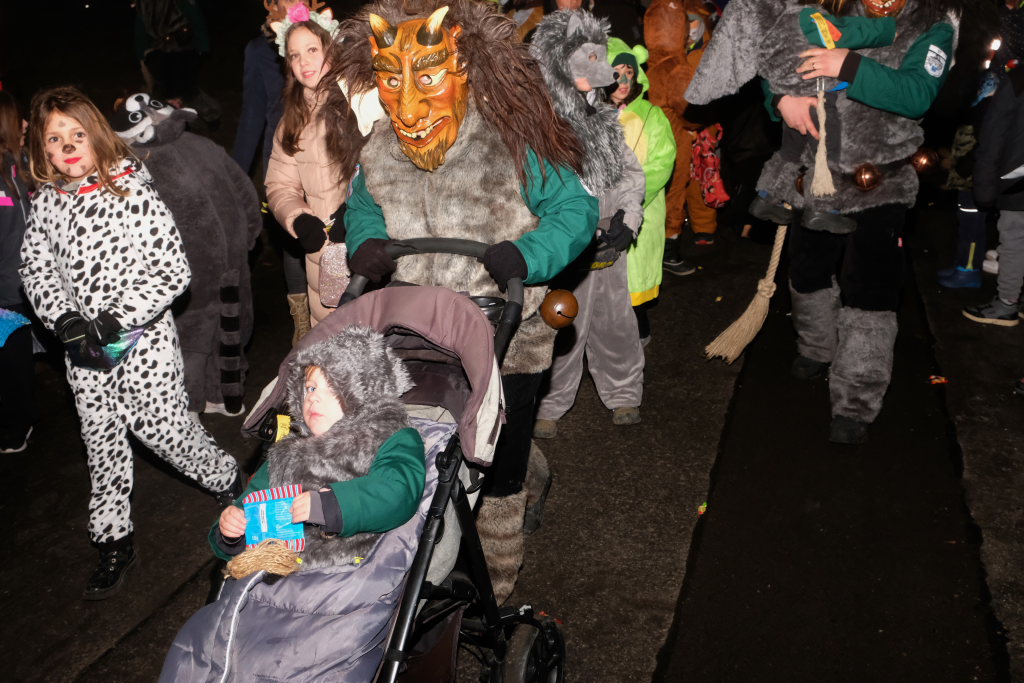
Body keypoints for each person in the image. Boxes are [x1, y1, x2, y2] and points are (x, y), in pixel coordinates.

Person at [335, 0, 598, 602]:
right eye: (391, 82)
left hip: (506, 326)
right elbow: (363, 205)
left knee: (499, 457)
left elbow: (575, 208)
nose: (407, 107)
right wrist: (365, 241)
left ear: (463, 72)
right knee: (416, 442)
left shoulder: (514, 139)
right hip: (415, 328)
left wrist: (528, 255)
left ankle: (497, 576)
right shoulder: (379, 146)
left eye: (427, 80)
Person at [687, 0, 961, 444]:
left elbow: (917, 94)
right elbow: (778, 59)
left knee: (870, 289)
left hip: (882, 185)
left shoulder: (933, 24)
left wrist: (846, 64)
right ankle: (817, 345)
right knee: (807, 270)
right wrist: (781, 100)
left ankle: (856, 398)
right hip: (815, 179)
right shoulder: (830, 9)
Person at [19, 86, 241, 599]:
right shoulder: (47, 203)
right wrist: (63, 319)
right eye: (55, 138)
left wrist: (117, 318)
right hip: (84, 354)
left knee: (164, 432)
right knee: (101, 445)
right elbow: (35, 268)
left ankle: (226, 477)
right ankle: (113, 539)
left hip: (143, 344)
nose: (68, 146)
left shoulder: (129, 190)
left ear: (97, 137)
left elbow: (172, 270)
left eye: (77, 134)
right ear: (43, 150)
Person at [161, 325, 427, 681]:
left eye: (332, 389)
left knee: (301, 660)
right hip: (275, 572)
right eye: (311, 388)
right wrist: (233, 528)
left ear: (362, 393)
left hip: (344, 576)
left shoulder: (391, 439)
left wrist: (330, 505)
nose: (313, 398)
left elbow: (397, 490)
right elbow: (254, 501)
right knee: (207, 647)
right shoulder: (288, 453)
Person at [529, 8, 647, 434]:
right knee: (561, 320)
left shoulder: (604, 119)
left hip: (609, 240)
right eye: (590, 58)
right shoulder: (539, 126)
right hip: (563, 247)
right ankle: (549, 400)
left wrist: (628, 217)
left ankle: (624, 390)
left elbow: (631, 175)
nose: (604, 72)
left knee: (615, 320)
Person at [111, 93, 263, 417]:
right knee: (195, 334)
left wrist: (250, 231)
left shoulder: (200, 145)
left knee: (232, 326)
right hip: (187, 272)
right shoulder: (133, 166)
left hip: (230, 260)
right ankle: (191, 401)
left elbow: (240, 186)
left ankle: (223, 395)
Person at [265, 1, 365, 330]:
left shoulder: (363, 103)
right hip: (322, 259)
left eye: (312, 50)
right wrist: (298, 217)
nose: (303, 62)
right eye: (294, 55)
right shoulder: (292, 121)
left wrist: (357, 213)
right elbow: (280, 185)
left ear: (332, 50)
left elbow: (389, 172)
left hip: (370, 252)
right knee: (331, 346)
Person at [232, 0, 312, 345]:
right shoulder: (259, 51)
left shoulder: (328, 38)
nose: (293, 4)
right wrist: (234, 176)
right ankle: (303, 324)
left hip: (329, 155)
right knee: (293, 239)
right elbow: (252, 115)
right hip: (283, 160)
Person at [606, 37, 677, 345]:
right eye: (616, 73)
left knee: (633, 283)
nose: (624, 81)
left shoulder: (652, 116)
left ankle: (639, 336)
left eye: (629, 73)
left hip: (640, 211)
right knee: (601, 282)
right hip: (599, 212)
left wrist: (629, 200)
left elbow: (662, 163)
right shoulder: (590, 116)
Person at [644, 0, 714, 271]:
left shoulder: (643, 60)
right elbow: (689, 110)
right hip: (673, 140)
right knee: (674, 193)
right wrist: (697, 123)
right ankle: (669, 251)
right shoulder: (676, 67)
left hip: (646, 140)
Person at [963, 52, 1024, 327]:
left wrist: (984, 186)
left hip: (1018, 178)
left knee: (1014, 241)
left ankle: (1006, 304)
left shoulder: (1018, 80)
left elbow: (994, 133)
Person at [0, 89, 37, 454]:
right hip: (7, 295)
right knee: (13, 363)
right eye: (17, 119)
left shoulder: (21, 162)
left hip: (39, 284)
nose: (25, 123)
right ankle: (17, 427)